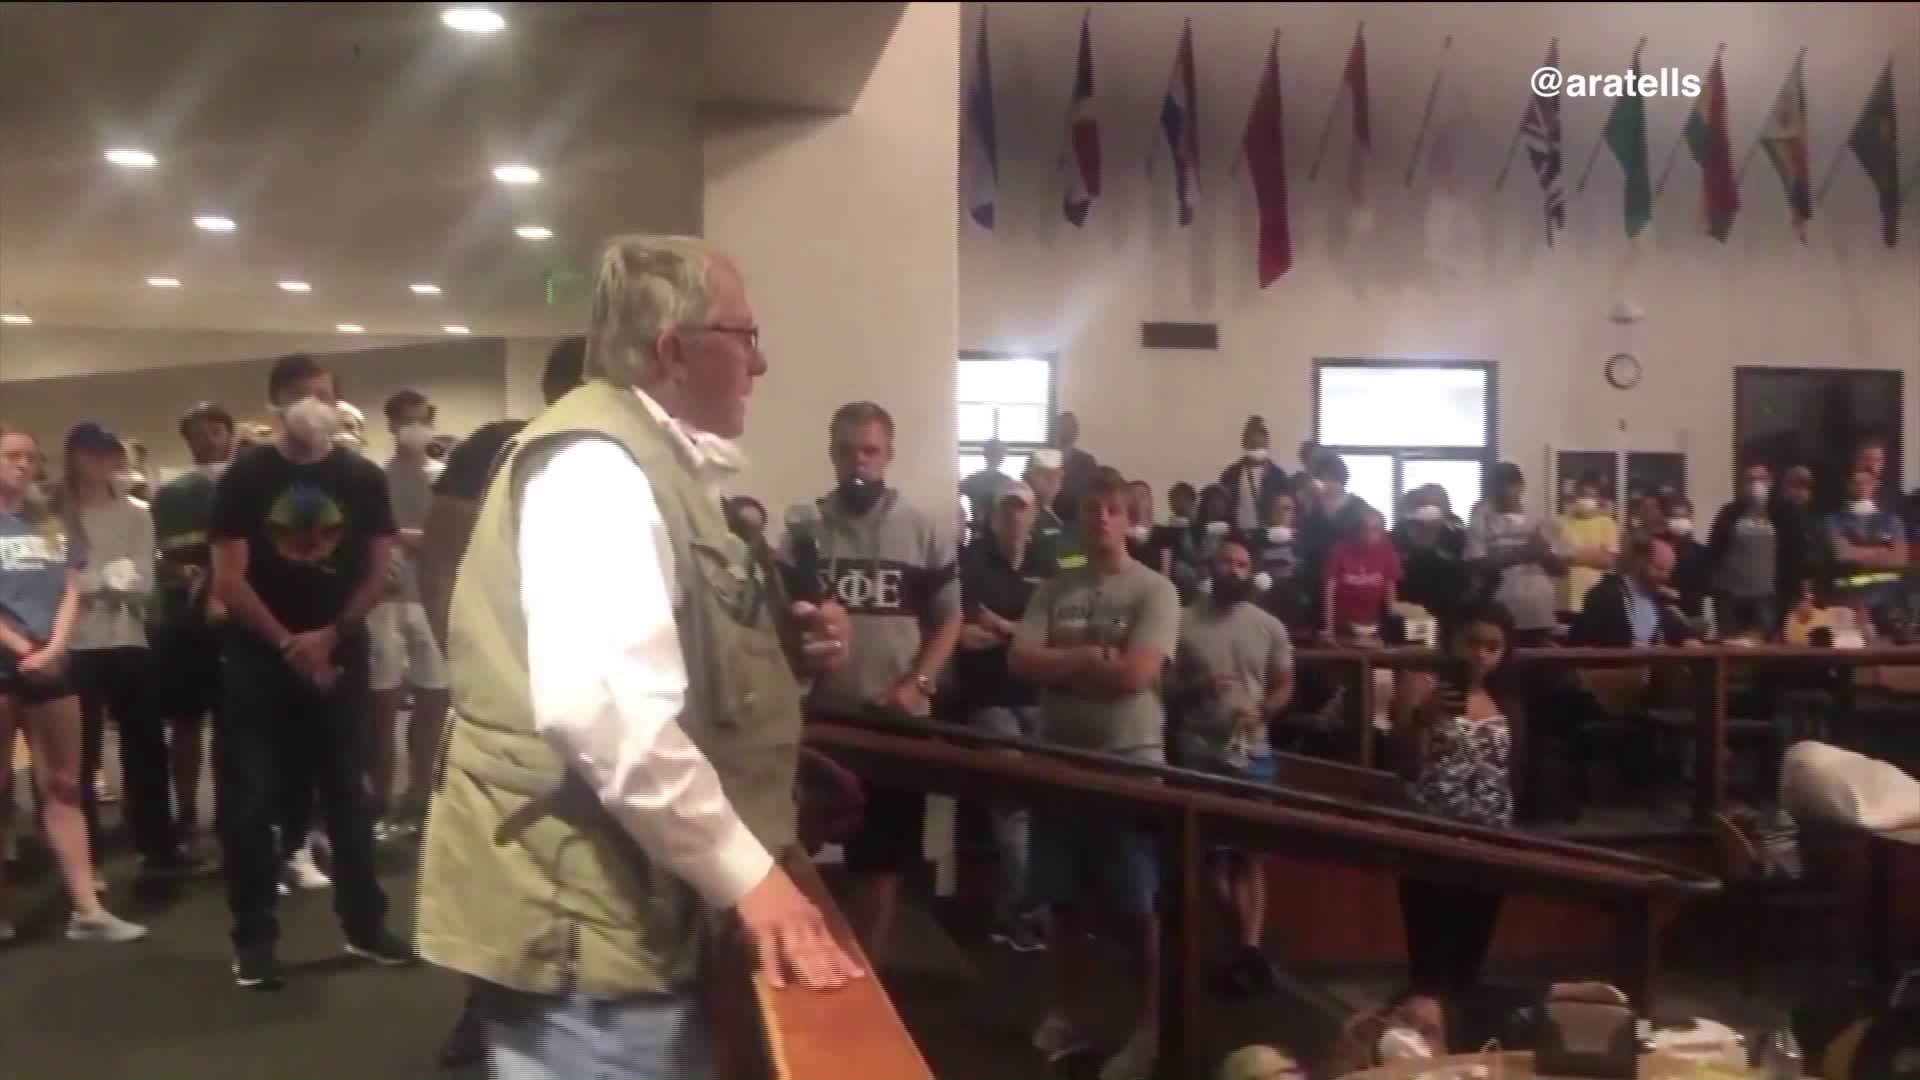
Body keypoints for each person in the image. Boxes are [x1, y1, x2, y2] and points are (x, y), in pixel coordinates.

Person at [416, 235, 863, 1080]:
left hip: (628, 899)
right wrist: (752, 881)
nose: (759, 364)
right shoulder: (596, 468)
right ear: (671, 350)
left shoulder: (655, 465)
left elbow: (676, 661)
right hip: (585, 919)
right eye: (745, 336)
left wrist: (785, 651)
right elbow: (604, 709)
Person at [209, 353, 415, 988]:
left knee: (347, 796)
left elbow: (378, 568)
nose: (313, 405)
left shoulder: (360, 478)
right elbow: (229, 579)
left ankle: (363, 923)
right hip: (257, 658)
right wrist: (287, 644)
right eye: (300, 394)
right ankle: (254, 938)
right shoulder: (246, 477)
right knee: (250, 802)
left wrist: (330, 637)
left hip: (338, 654)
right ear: (276, 401)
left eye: (323, 394)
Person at [414, 336, 585, 1070]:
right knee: (495, 871)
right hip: (502, 695)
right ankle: (483, 1014)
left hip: (583, 691)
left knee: (578, 868)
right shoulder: (492, 450)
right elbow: (440, 559)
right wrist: (469, 665)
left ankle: (551, 1016)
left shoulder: (617, 461)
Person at [1011, 465, 1181, 1080]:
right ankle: (1067, 1012)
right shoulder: (1054, 590)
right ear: (1078, 517)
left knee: (1136, 907)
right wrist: (1086, 656)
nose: (1102, 519)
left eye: (1112, 509)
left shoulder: (1155, 591)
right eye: (1091, 510)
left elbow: (1136, 676)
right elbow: (1020, 660)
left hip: (1130, 761)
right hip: (1057, 757)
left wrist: (1063, 664)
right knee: (1063, 902)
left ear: (1130, 516)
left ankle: (1150, 1024)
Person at [781, 399, 961, 961]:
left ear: (889, 454)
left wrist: (918, 683)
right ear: (831, 454)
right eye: (847, 450)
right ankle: (803, 964)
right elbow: (781, 619)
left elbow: (949, 619)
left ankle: (868, 976)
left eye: (870, 451)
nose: (859, 462)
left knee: (881, 861)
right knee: (796, 845)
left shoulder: (923, 527)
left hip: (894, 720)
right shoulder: (804, 529)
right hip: (823, 718)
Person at [0, 423, 148, 944]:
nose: (24, 464)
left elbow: (70, 585)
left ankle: (87, 907)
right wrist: (21, 647)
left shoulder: (46, 520)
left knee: (63, 784)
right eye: (13, 455)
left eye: (30, 456)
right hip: (6, 664)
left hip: (52, 662)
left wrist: (55, 644)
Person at [1387, 601, 1519, 1039]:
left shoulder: (1507, 697)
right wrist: (1425, 717)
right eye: (1472, 642)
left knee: (1470, 956)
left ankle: (1463, 1049)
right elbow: (1405, 764)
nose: (1481, 654)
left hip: (1491, 839)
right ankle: (1420, 1050)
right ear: (1452, 642)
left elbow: (1511, 769)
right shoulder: (1421, 684)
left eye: (1492, 646)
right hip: (1432, 836)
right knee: (1430, 960)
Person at [1171, 535, 1293, 997]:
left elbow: (1283, 685)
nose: (1235, 571)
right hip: (1199, 751)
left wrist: (1264, 710)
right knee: (1207, 857)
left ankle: (1248, 947)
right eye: (1227, 562)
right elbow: (1162, 687)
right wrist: (1194, 687)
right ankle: (1242, 941)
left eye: (1243, 564)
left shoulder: (1269, 626)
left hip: (1253, 750)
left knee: (1249, 854)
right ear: (1210, 566)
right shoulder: (1182, 623)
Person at [61, 423, 178, 879]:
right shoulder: (57, 514)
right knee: (80, 754)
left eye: (105, 453)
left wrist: (96, 583)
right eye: (87, 454)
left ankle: (157, 845)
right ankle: (84, 857)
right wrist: (106, 580)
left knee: (146, 747)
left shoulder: (136, 513)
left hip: (128, 638)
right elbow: (58, 583)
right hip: (74, 643)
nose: (97, 462)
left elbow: (143, 585)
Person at [954, 482, 1047, 952]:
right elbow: (962, 633)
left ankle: (1013, 912)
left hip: (1041, 700)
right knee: (1013, 807)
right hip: (989, 699)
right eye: (1007, 510)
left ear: (1034, 516)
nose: (1015, 518)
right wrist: (1027, 636)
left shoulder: (1049, 566)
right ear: (992, 517)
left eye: (1023, 510)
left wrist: (1007, 629)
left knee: (1046, 810)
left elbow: (1058, 633)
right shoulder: (969, 563)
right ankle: (1025, 916)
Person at [148, 402, 235, 854]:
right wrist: (176, 574)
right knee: (185, 723)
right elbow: (155, 557)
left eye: (217, 429)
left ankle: (227, 811)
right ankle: (186, 811)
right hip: (182, 622)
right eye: (199, 432)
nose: (210, 438)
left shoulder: (247, 485)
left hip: (235, 622)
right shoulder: (170, 494)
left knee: (231, 723)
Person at [368, 388, 451, 831]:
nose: (413, 427)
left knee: (434, 697)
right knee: (381, 702)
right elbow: (372, 536)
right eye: (405, 419)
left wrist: (408, 538)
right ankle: (380, 795)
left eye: (421, 418)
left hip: (433, 598)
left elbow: (450, 538)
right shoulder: (378, 479)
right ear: (392, 425)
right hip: (385, 600)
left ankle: (421, 790)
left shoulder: (443, 477)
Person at [1705, 462, 1784, 638]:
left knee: (1764, 648)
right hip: (1730, 595)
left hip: (1766, 595)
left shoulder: (1781, 513)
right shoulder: (1729, 512)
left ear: (1771, 482)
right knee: (1730, 646)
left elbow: (1791, 555)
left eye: (1761, 479)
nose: (1756, 484)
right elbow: (1714, 549)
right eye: (1751, 479)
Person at [1218, 416, 1289, 533]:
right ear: (1244, 444)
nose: (1256, 449)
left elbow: (1285, 509)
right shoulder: (1231, 474)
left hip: (1269, 534)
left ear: (1267, 444)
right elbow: (1223, 505)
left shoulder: (1277, 476)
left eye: (1259, 445)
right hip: (1238, 535)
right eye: (1252, 445)